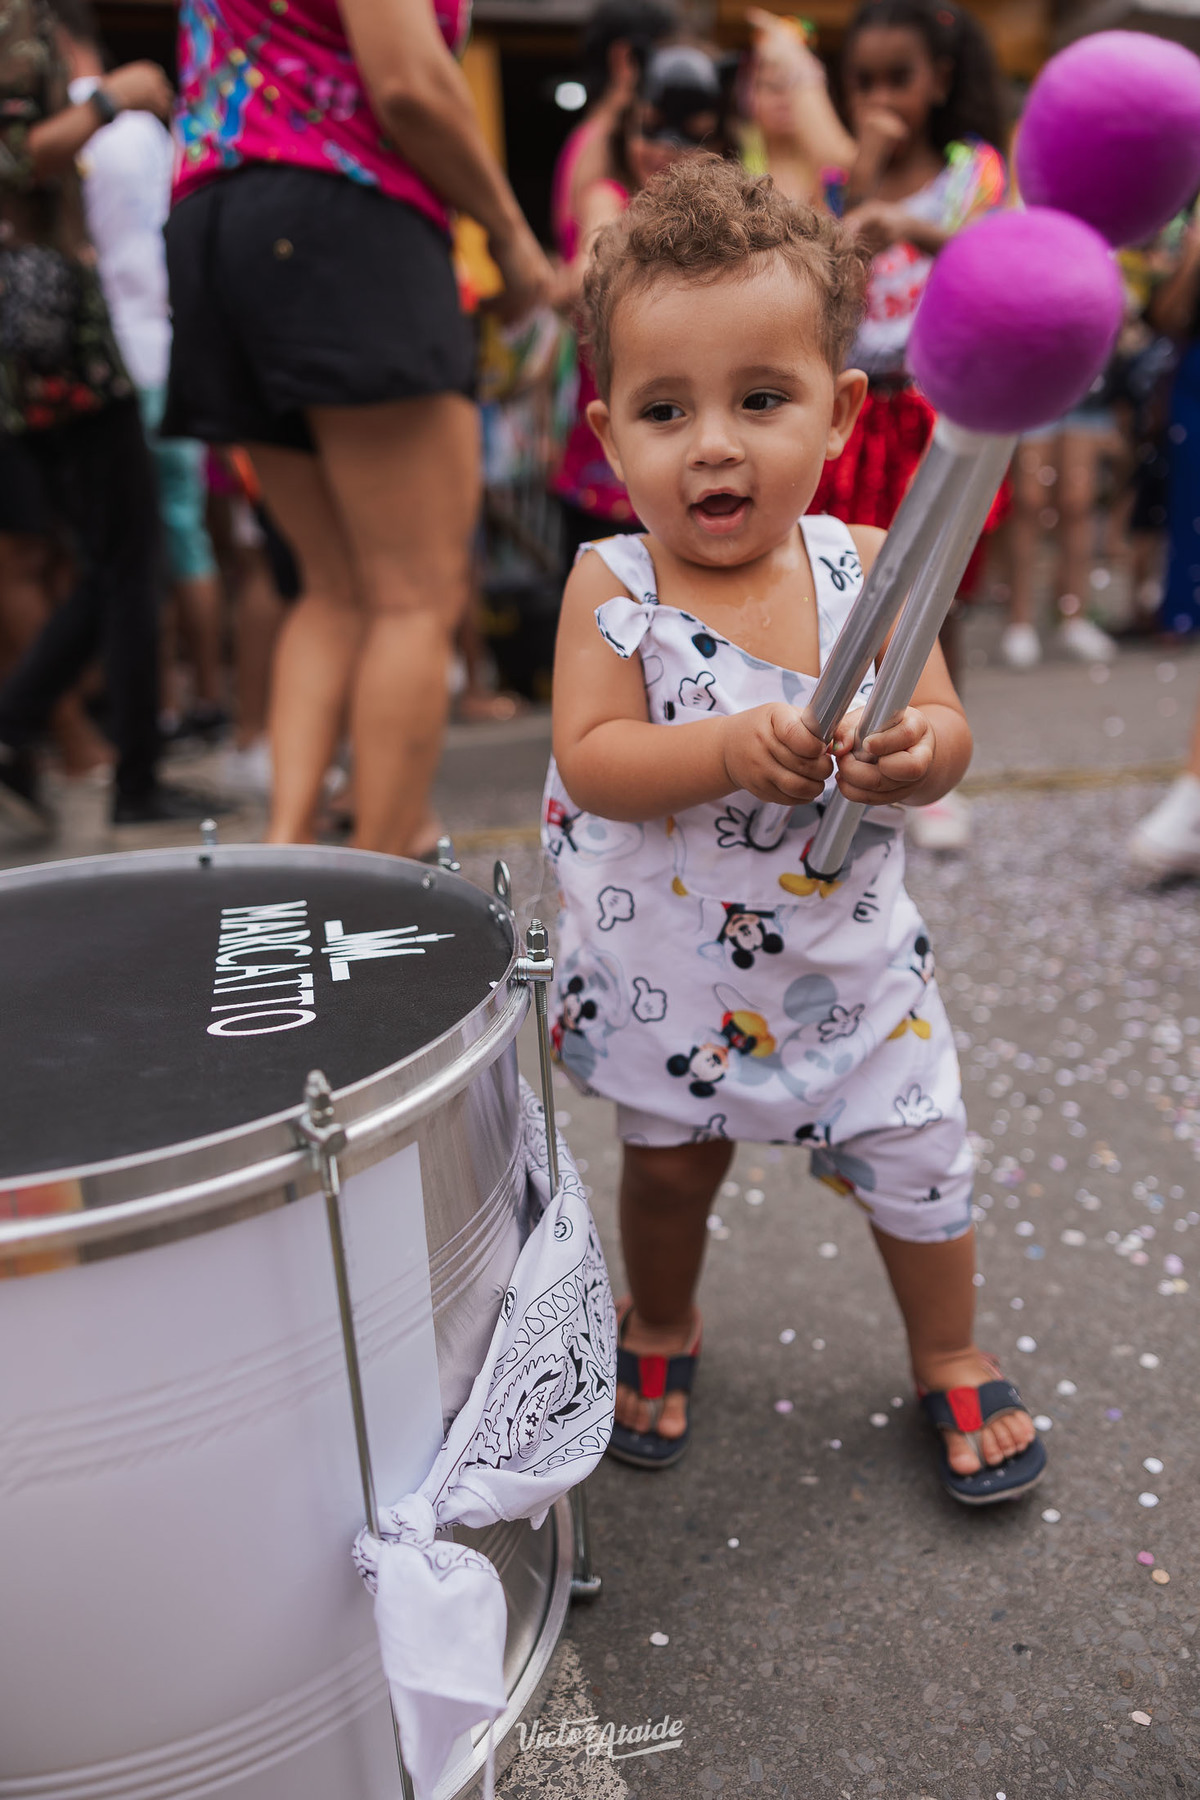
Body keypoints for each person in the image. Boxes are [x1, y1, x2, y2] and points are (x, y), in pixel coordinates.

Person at [543, 157, 1046, 1506]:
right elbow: (592, 760)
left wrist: (915, 756)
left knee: (920, 1157)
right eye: (666, 409)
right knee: (668, 1172)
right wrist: (720, 749)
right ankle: (661, 1318)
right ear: (609, 435)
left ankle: (949, 1348)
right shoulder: (611, 586)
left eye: (760, 399)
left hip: (853, 972)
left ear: (840, 413)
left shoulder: (869, 566)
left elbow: (945, 725)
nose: (714, 443)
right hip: (674, 978)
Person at [165, 0, 552, 857]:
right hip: (339, 207)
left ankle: (289, 850)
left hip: (215, 218)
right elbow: (408, 83)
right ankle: (382, 862)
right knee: (417, 592)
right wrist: (512, 237)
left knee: (331, 586)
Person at [0, 0, 210, 829]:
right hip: (54, 340)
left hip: (48, 336)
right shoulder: (18, 23)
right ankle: (132, 781)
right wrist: (111, 99)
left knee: (116, 558)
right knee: (128, 557)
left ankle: (23, 726)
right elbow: (14, 156)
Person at [808, 0, 1008, 850]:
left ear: (941, 79)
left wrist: (912, 227)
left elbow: (999, 256)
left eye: (899, 77)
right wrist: (861, 173)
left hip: (936, 409)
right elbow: (811, 270)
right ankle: (840, 749)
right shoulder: (836, 175)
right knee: (849, 584)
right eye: (863, 81)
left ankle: (928, 763)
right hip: (859, 406)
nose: (880, 97)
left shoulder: (973, 170)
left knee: (936, 592)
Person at [52, 0, 228, 743]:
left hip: (106, 357)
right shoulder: (147, 128)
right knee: (182, 534)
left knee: (123, 546)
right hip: (168, 344)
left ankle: (154, 707)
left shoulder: (67, 123)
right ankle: (208, 696)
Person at [552, 40, 739, 561]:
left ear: (721, 139)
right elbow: (591, 255)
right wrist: (589, 266)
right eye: (650, 129)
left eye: (689, 134)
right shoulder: (609, 198)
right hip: (606, 463)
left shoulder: (737, 223)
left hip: (702, 461)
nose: (666, 149)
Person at [550, 0, 676, 262]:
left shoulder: (586, 135)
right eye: (662, 56)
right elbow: (591, 259)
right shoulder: (604, 141)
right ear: (627, 60)